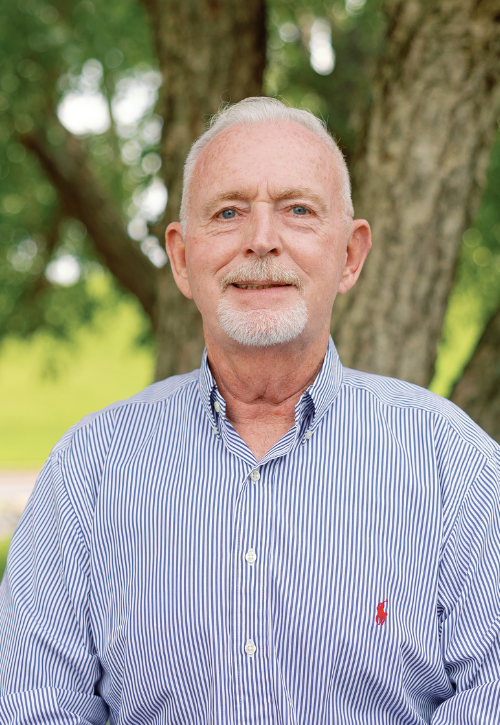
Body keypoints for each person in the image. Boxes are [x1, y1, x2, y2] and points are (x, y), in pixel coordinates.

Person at [0, 97, 499, 724]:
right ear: (181, 258)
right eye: (229, 212)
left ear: (350, 255)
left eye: (298, 210)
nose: (262, 241)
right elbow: (33, 707)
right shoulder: (87, 471)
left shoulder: (458, 468)